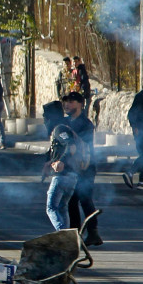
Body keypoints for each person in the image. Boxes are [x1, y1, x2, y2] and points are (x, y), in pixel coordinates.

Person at [64, 91, 103, 246]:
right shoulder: (65, 122)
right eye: (66, 101)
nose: (67, 104)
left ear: (81, 104)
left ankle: (93, 233)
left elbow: (79, 145)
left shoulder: (85, 124)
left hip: (85, 167)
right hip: (70, 167)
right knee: (71, 202)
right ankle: (76, 235)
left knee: (85, 199)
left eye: (72, 101)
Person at [44, 122, 80, 231]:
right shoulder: (61, 131)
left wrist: (61, 161)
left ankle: (63, 234)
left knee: (51, 208)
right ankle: (67, 236)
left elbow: (71, 146)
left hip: (62, 176)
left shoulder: (59, 129)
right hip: (71, 177)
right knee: (62, 207)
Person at [122, 76, 143, 189]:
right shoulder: (140, 96)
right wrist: (135, 126)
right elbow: (131, 113)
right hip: (140, 130)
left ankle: (142, 181)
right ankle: (130, 172)